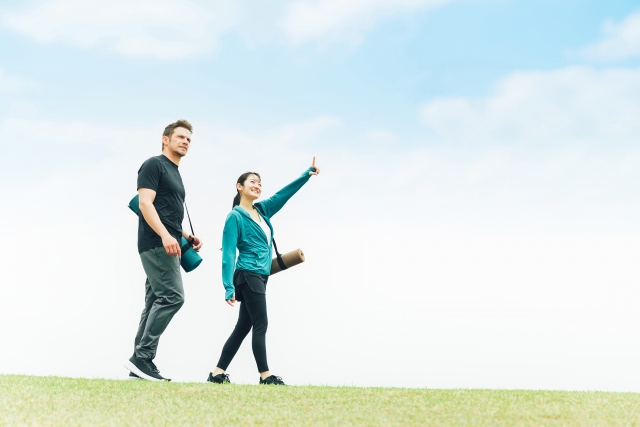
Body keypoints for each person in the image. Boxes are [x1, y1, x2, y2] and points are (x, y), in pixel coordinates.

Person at [207, 157, 320, 385]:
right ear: (240, 187)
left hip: (259, 275)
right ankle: (265, 376)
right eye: (252, 181)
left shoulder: (263, 210)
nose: (257, 185)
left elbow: (283, 195)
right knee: (261, 324)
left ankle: (217, 374)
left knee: (243, 327)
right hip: (248, 274)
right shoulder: (235, 216)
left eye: (259, 182)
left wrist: (306, 174)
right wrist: (228, 286)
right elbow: (228, 253)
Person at [124, 119, 203, 381]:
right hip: (157, 242)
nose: (185, 142)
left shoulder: (175, 173)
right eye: (180, 137)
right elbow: (146, 204)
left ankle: (139, 365)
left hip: (168, 239)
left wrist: (184, 235)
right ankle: (143, 357)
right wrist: (166, 236)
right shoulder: (153, 165)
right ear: (165, 139)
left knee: (154, 300)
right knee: (172, 296)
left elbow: (168, 213)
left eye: (188, 139)